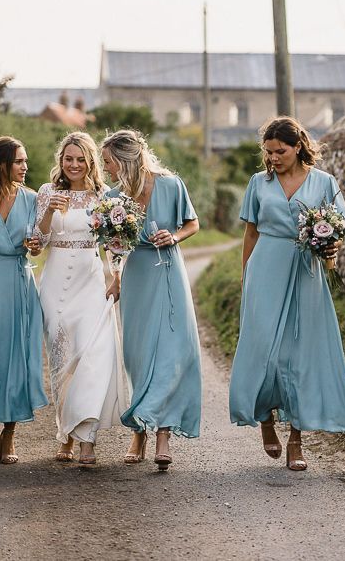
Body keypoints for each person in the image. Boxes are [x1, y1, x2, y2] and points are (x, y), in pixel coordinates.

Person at [229, 116, 345, 471]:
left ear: (298, 146)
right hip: (265, 269)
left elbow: (337, 231)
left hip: (306, 271)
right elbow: (251, 234)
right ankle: (266, 420)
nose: (273, 158)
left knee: (300, 357)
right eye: (268, 152)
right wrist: (245, 277)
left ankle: (297, 441)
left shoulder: (324, 182)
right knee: (264, 353)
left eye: (280, 151)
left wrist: (330, 252)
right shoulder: (258, 183)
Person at [101, 129, 201, 470]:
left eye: (109, 162)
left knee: (171, 352)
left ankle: (162, 435)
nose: (106, 169)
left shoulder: (171, 184)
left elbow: (193, 223)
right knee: (138, 355)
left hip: (168, 272)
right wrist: (115, 279)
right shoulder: (113, 196)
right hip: (137, 274)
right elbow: (113, 247)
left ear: (126, 159)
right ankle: (140, 431)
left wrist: (174, 236)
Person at [35, 132, 126, 465]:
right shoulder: (48, 192)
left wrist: (115, 276)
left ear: (90, 161)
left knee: (90, 356)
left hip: (90, 284)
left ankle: (87, 437)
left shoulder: (104, 196)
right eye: (67, 159)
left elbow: (116, 244)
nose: (73, 165)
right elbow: (36, 242)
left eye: (80, 159)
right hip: (55, 285)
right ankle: (65, 435)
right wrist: (48, 213)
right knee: (62, 362)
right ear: (61, 160)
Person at [0, 136, 48, 464]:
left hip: (19, 283)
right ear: (0, 165)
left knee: (14, 358)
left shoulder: (34, 200)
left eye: (25, 161)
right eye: (19, 161)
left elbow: (39, 244)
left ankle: (9, 430)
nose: (25, 167)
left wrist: (36, 245)